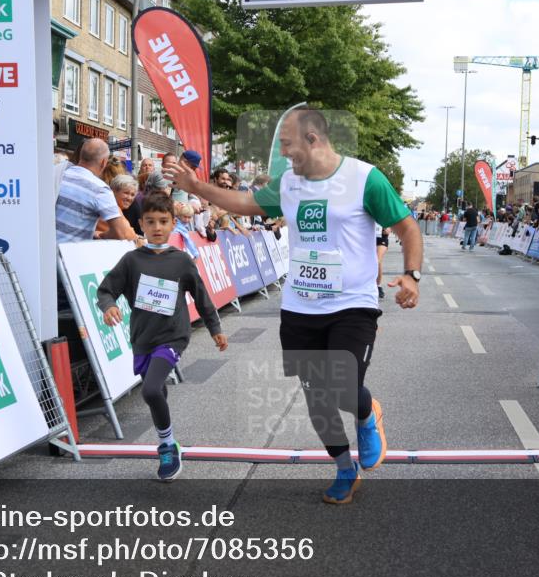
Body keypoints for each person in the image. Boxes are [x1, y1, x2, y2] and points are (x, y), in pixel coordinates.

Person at [165, 106, 422, 504]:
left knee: (340, 384)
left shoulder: (364, 178)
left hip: (353, 304)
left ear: (313, 139)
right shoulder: (288, 185)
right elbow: (242, 202)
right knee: (315, 396)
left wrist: (412, 274)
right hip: (300, 307)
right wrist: (195, 187)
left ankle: (367, 411)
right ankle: (343, 468)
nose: (284, 154)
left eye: (287, 144)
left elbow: (407, 227)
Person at [98, 192, 228, 481]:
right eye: (151, 221)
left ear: (173, 225)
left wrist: (215, 329)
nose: (157, 227)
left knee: (151, 390)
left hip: (173, 336)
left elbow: (202, 296)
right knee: (157, 392)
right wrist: (108, 307)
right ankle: (168, 439)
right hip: (143, 338)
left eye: (163, 221)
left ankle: (167, 445)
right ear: (141, 224)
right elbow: (106, 290)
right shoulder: (131, 260)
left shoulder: (181, 261)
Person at [55, 138, 133, 243]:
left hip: (43, 252)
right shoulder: (100, 190)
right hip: (69, 255)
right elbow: (122, 233)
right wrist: (101, 235)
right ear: (103, 162)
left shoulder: (59, 175)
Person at [96, 173, 142, 243]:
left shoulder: (112, 206)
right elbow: (129, 234)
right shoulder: (110, 208)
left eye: (132, 195)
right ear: (114, 191)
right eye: (126, 193)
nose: (129, 198)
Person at [375, 226, 389, 299]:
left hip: (381, 238)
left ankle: (378, 286)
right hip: (368, 237)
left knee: (377, 261)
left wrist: (389, 228)